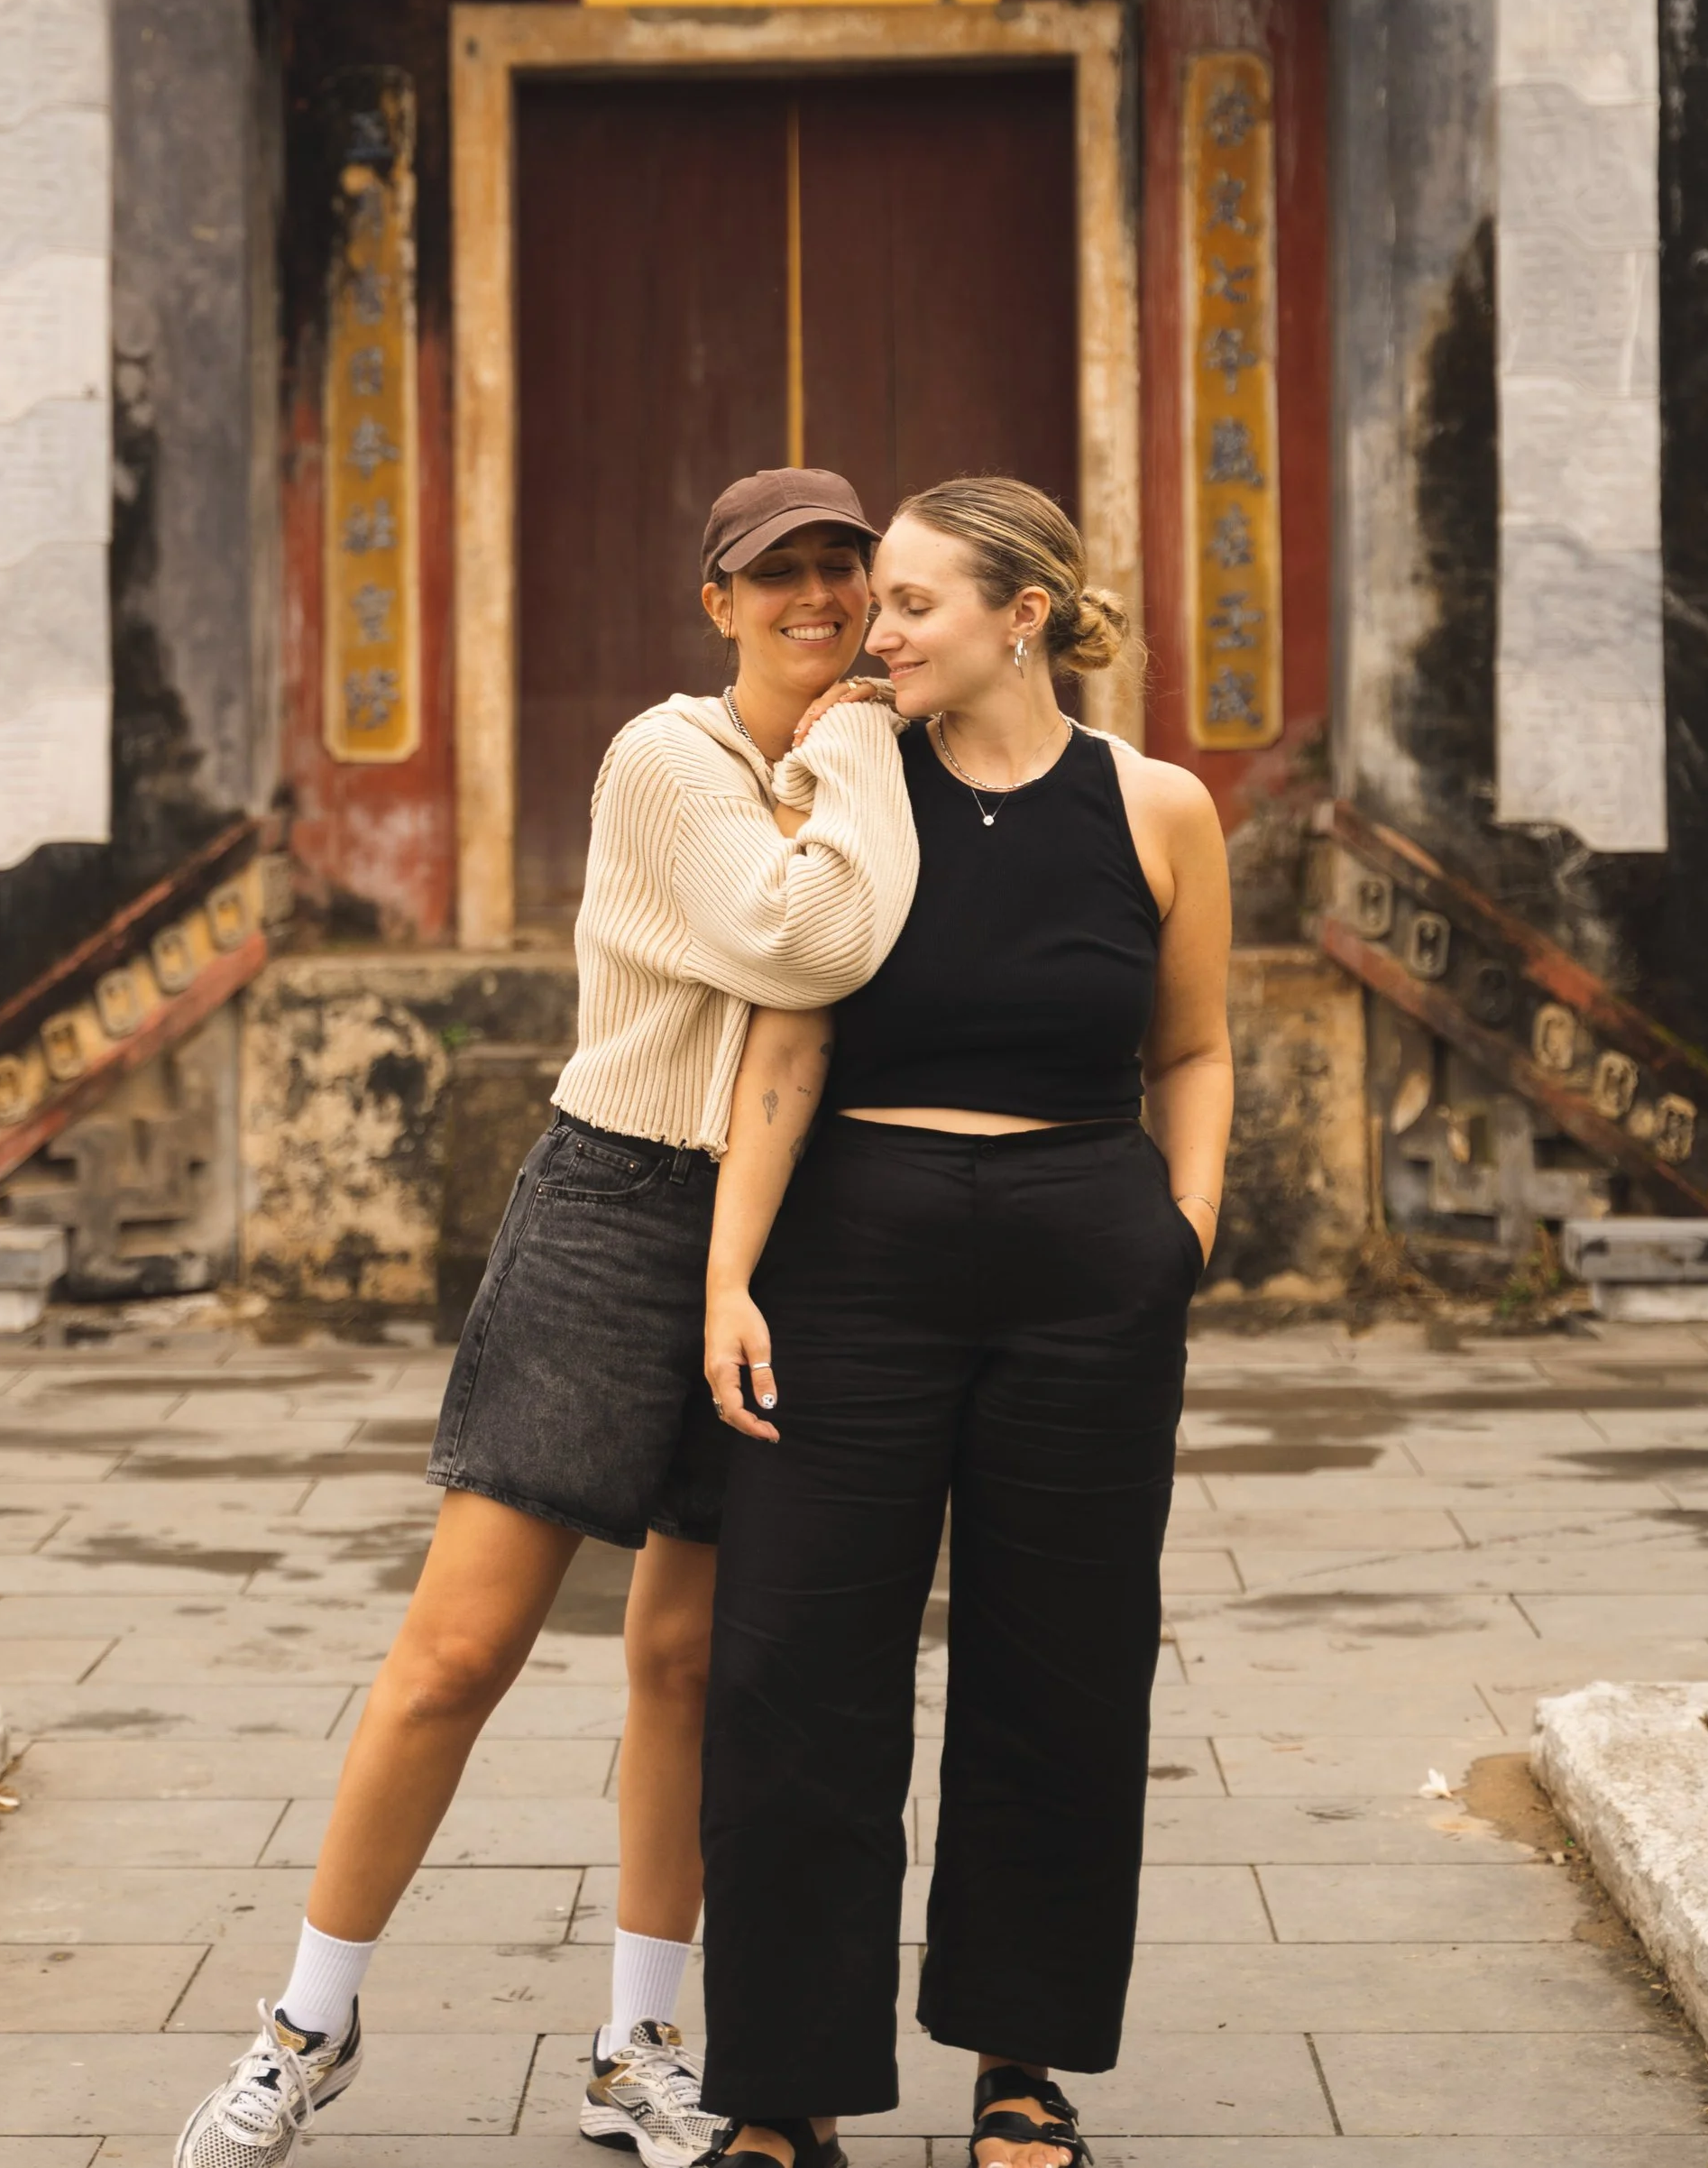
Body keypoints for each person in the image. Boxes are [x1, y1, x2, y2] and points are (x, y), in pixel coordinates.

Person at [174, 467, 919, 2168]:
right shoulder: (673, 758)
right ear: (717, 603)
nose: (819, 600)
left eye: (844, 570)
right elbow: (799, 947)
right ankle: (309, 2020)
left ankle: (638, 2044)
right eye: (778, 577)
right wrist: (866, 753)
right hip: (618, 1213)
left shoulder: (892, 766)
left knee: (687, 1663)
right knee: (458, 1652)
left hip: (796, 1240)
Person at [697, 473, 1235, 2168]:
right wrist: (729, 1276)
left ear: (1027, 617)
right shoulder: (855, 780)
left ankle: (1025, 2063)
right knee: (794, 1667)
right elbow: (785, 1046)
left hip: (1088, 1265)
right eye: (881, 600)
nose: (877, 625)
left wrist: (1179, 1237)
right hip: (854, 1258)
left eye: (915, 600)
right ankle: (786, 2088)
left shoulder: (1158, 809)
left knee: (1063, 1670)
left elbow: (1197, 1050)